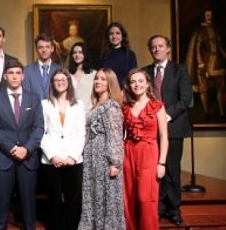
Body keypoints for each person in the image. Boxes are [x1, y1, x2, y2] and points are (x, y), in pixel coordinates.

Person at [144, 35, 193, 225]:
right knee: (154, 171)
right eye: (153, 47)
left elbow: (185, 99)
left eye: (160, 46)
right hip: (150, 131)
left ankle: (174, 209)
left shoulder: (179, 70)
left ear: (168, 49)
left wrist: (164, 116)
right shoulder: (145, 72)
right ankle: (158, 207)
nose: (156, 49)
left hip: (173, 128)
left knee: (171, 170)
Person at [0, 60, 44, 230]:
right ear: (5, 76)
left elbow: (39, 127)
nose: (14, 76)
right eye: (11, 73)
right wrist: (12, 149)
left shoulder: (33, 99)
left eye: (17, 73)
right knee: (1, 201)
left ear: (23, 76)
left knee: (28, 201)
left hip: (28, 158)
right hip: (4, 158)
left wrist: (26, 148)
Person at [77, 68, 125, 230]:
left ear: (110, 83)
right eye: (97, 78)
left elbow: (115, 136)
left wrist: (115, 163)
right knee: (94, 197)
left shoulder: (111, 107)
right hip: (92, 159)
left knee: (107, 200)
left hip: (105, 160)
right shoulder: (97, 105)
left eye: (103, 79)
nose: (98, 81)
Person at [122, 68, 169, 230]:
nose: (137, 85)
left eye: (140, 81)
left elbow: (163, 137)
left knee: (145, 198)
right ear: (129, 85)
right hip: (128, 153)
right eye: (133, 82)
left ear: (148, 83)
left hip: (149, 153)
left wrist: (161, 163)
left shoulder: (157, 106)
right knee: (129, 198)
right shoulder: (126, 107)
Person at [39, 68, 85, 230]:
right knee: (53, 199)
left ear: (69, 83)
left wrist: (72, 157)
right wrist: (52, 156)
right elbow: (41, 132)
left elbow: (81, 134)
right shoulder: (44, 104)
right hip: (52, 159)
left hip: (73, 159)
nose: (60, 82)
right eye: (56, 80)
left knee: (72, 199)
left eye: (63, 80)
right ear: (52, 83)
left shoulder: (79, 105)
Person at [186, 10, 226, 116]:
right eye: (208, 15)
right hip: (204, 62)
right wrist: (200, 62)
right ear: (203, 17)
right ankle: (206, 111)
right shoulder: (199, 32)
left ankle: (221, 111)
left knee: (220, 87)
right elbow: (197, 49)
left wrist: (223, 54)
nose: (210, 17)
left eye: (211, 15)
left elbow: (220, 45)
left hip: (217, 61)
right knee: (203, 89)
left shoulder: (217, 30)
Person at [23, 33, 62, 100]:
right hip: (34, 110)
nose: (44, 50)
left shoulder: (60, 70)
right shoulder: (27, 70)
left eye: (47, 47)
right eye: (41, 47)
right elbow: (26, 97)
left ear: (52, 49)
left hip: (54, 109)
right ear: (36, 49)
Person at [99, 22, 137, 86]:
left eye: (118, 33)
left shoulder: (130, 55)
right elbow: (99, 77)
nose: (114, 36)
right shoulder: (102, 55)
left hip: (124, 92)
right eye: (111, 34)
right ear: (108, 37)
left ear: (122, 36)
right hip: (106, 91)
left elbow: (133, 77)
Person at [69, 42, 97, 113]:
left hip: (88, 112)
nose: (77, 55)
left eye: (80, 52)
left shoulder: (93, 73)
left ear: (85, 54)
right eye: (74, 52)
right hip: (71, 112)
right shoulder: (67, 74)